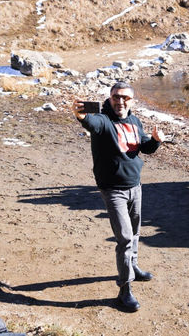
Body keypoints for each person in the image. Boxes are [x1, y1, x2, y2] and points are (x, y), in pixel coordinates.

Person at [72, 82, 163, 312]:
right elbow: (91, 123)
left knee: (135, 232)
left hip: (136, 186)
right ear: (110, 99)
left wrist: (155, 140)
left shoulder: (134, 121)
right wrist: (81, 116)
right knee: (124, 238)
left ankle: (133, 266)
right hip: (113, 190)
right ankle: (125, 289)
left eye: (124, 98)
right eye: (115, 97)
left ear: (132, 100)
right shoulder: (104, 120)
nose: (120, 101)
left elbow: (144, 147)